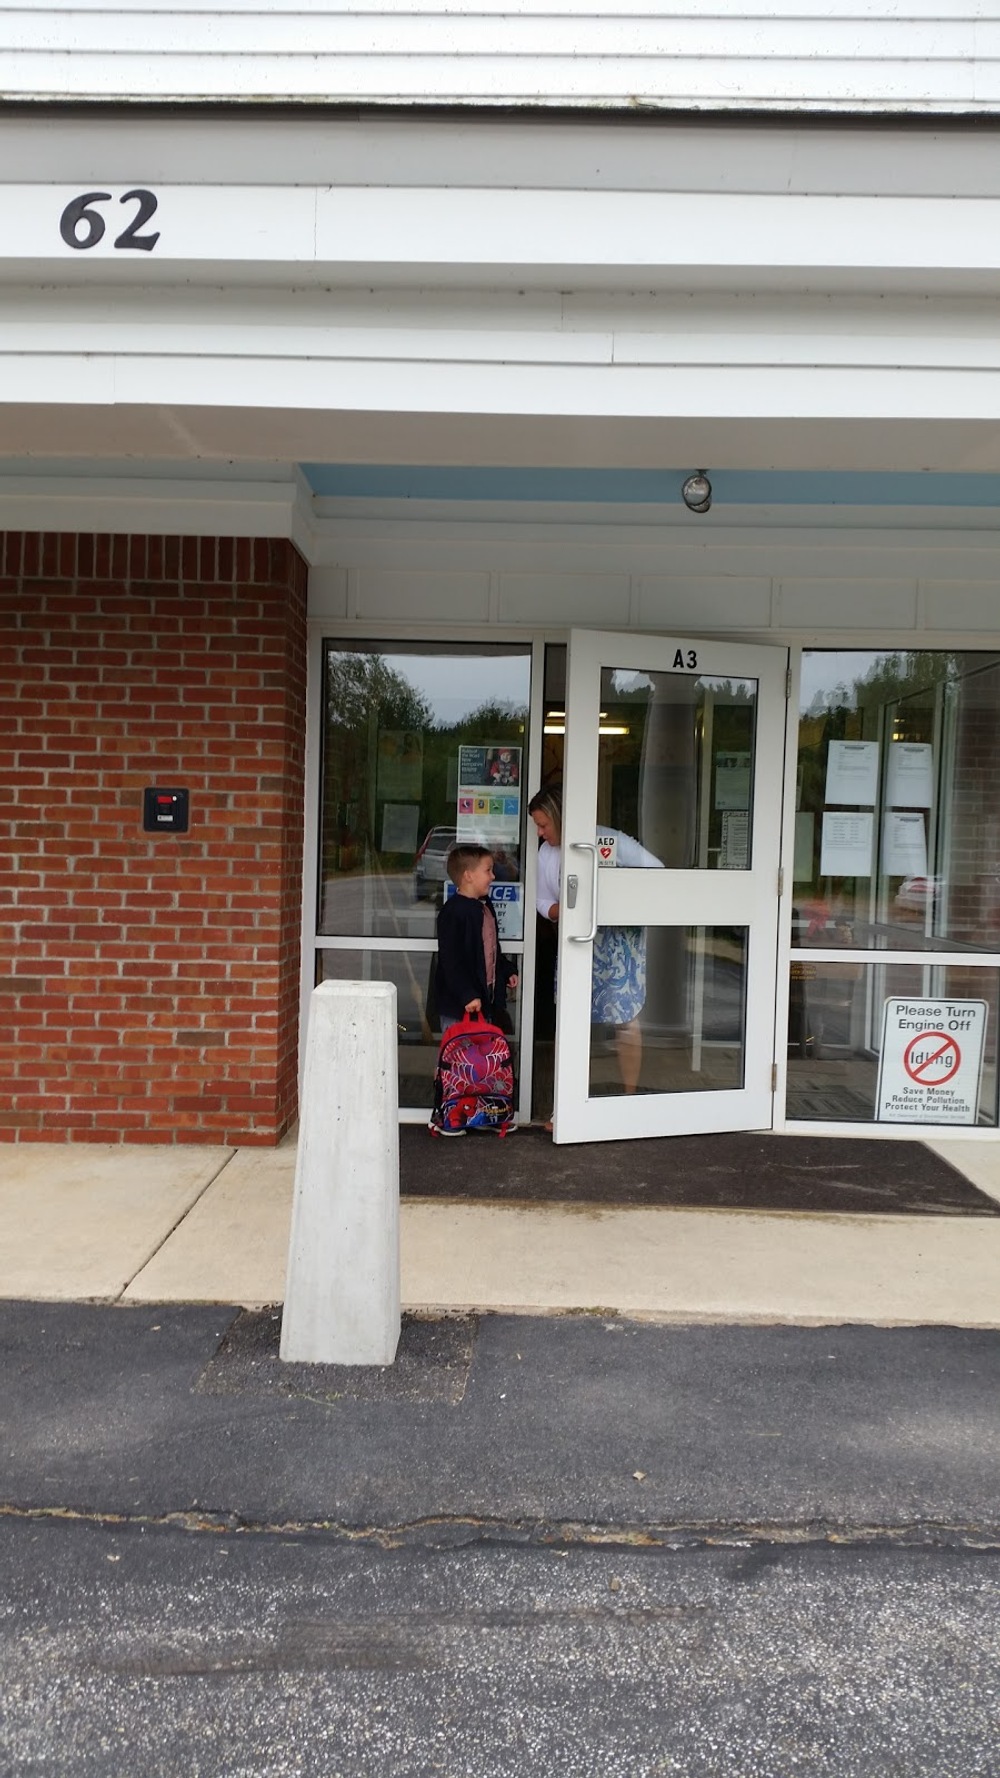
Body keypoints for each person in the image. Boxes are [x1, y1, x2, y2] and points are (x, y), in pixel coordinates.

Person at [528, 783, 661, 1097]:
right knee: (571, 1022)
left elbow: (657, 873)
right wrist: (571, 910)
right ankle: (570, 1105)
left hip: (620, 945)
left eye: (543, 825)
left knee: (626, 1023)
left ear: (561, 817)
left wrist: (610, 903)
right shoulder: (546, 853)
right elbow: (542, 902)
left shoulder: (610, 840)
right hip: (576, 938)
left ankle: (628, 1098)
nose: (540, 833)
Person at [435, 844, 519, 1030]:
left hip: (484, 1003)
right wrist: (467, 994)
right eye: (488, 871)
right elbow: (451, 960)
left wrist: (507, 970)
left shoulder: (484, 906)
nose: (493, 876)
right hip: (460, 1007)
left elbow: (491, 947)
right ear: (468, 876)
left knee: (481, 1056)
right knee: (461, 1056)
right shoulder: (453, 912)